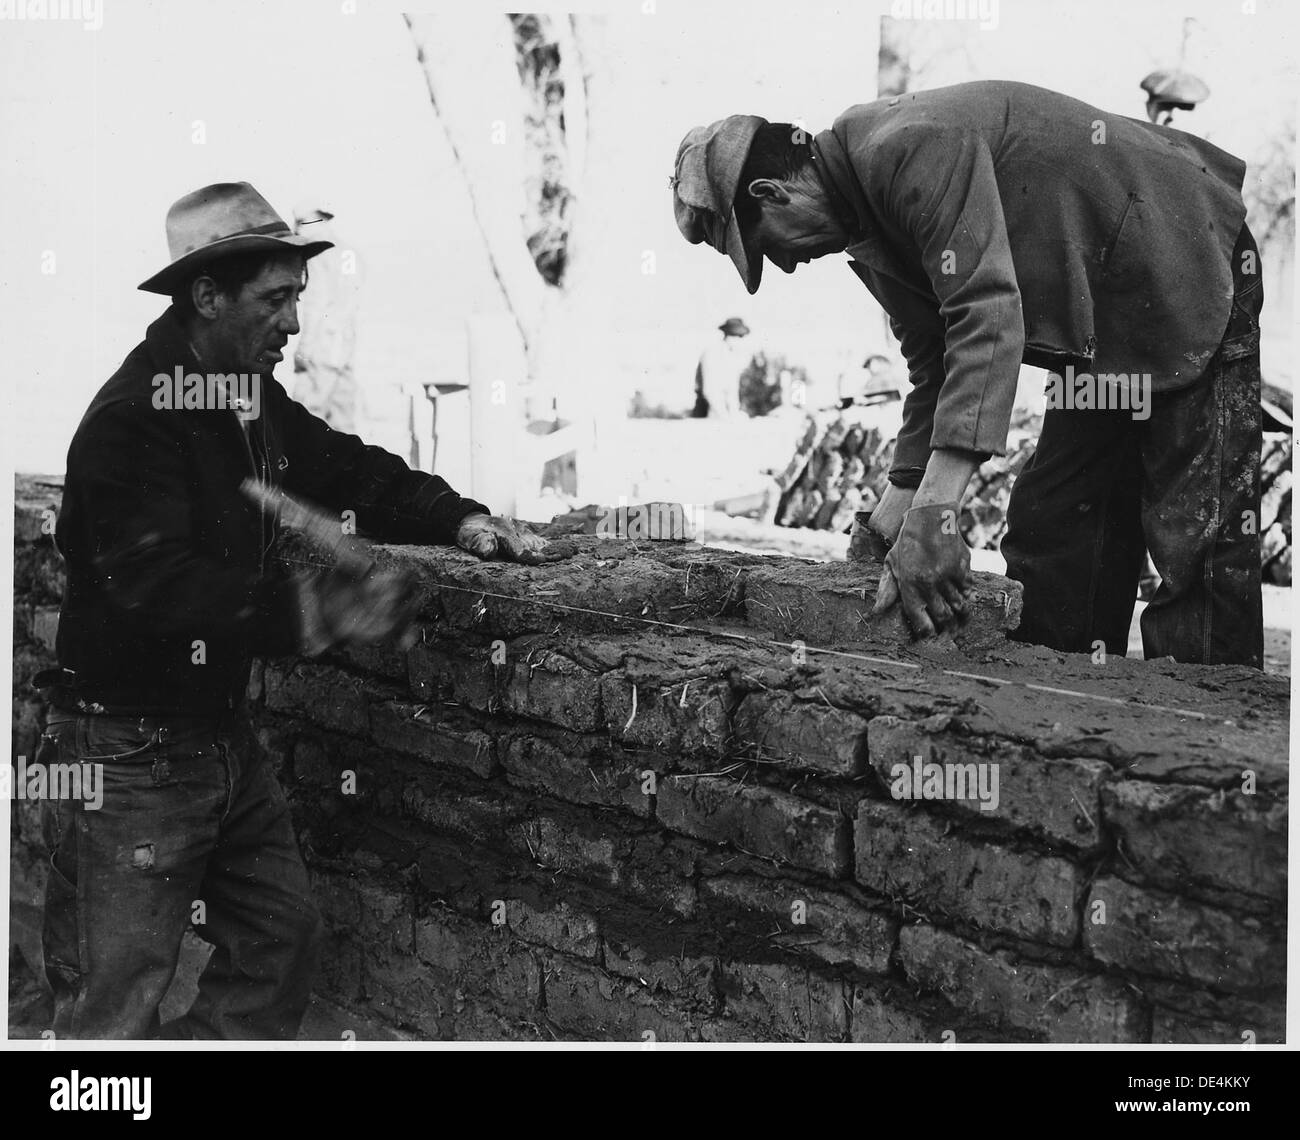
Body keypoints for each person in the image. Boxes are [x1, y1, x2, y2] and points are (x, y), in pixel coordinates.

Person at [35, 181, 547, 1039]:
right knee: (112, 1003)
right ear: (207, 295)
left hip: (216, 737)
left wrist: (458, 515)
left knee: (279, 944)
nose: (294, 326)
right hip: (126, 755)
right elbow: (155, 586)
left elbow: (342, 468)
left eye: (297, 299)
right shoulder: (129, 420)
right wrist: (318, 612)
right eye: (276, 301)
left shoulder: (235, 393)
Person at [671, 80, 1263, 666]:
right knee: (1054, 532)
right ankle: (1061, 716)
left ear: (771, 192)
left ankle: (1203, 737)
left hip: (1190, 260)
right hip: (1107, 327)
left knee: (1196, 542)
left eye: (766, 249)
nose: (786, 266)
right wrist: (888, 524)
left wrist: (937, 515)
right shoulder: (869, 227)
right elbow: (936, 365)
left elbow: (987, 316)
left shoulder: (906, 148)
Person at [692, 316, 751, 418]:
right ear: (729, 336)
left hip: (724, 416)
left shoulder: (733, 358)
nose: (741, 340)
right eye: (739, 336)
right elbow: (709, 390)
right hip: (707, 412)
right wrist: (724, 416)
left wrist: (734, 414)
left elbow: (732, 392)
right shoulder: (712, 354)